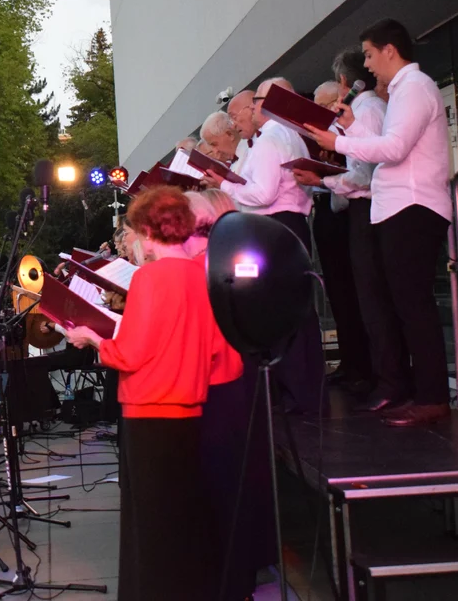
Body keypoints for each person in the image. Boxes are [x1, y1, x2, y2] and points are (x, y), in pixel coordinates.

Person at [64, 186, 242, 601]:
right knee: (181, 516)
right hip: (191, 410)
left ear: (147, 229)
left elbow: (132, 354)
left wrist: (93, 339)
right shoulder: (203, 274)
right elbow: (220, 352)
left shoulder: (149, 277)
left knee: (150, 521)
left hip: (149, 411)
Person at [306, 19, 452, 427]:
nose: (367, 65)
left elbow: (395, 146)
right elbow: (391, 144)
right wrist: (351, 129)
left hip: (413, 206)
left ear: (390, 50)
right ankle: (420, 392)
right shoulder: (404, 91)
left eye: (369, 53)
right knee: (404, 305)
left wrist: (339, 142)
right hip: (398, 206)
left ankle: (432, 396)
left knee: (413, 306)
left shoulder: (414, 88)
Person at [206, 77, 326, 416]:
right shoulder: (284, 135)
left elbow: (262, 194)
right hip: (286, 227)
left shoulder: (273, 137)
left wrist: (225, 186)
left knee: (283, 314)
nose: (249, 113)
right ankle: (302, 393)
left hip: (278, 227)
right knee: (293, 313)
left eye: (256, 102)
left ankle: (297, 394)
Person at [296, 51, 388, 397]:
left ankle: (377, 374)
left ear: (344, 90)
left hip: (357, 207)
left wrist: (324, 175)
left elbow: (363, 174)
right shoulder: (354, 117)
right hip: (337, 208)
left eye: (328, 103)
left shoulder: (364, 113)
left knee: (365, 295)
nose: (326, 112)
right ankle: (358, 366)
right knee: (345, 294)